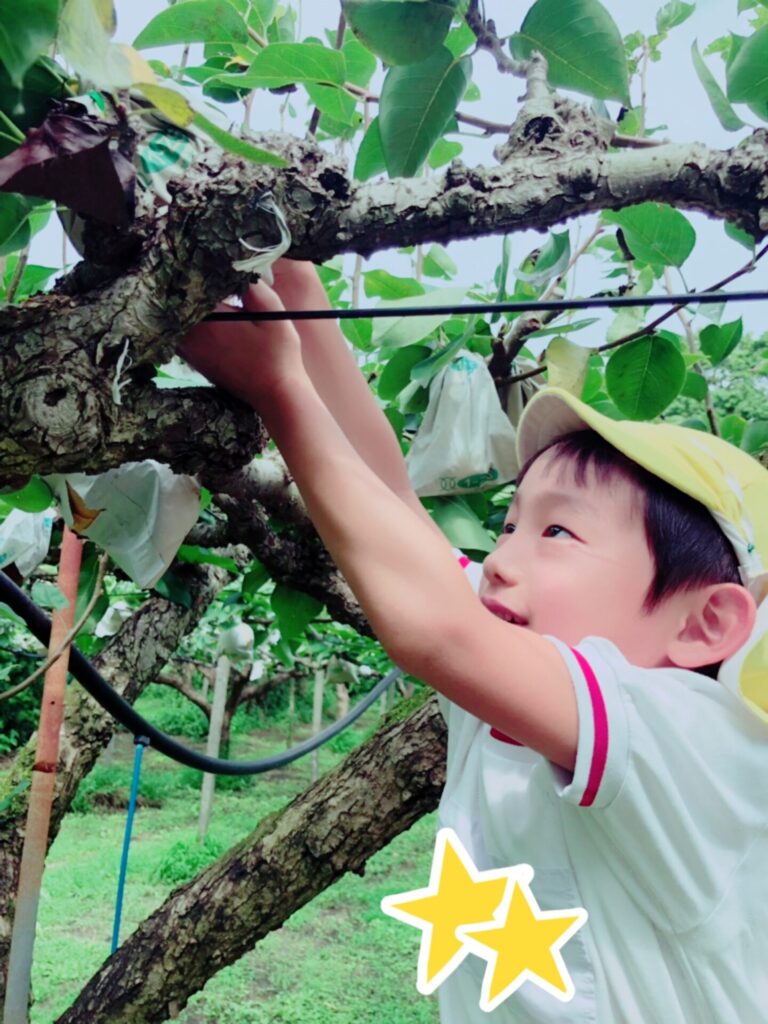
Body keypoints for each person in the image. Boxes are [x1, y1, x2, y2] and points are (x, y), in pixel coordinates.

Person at [178, 259, 768, 1023]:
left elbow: (437, 628)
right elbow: (393, 502)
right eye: (510, 524)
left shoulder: (699, 744)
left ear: (704, 625)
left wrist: (280, 391)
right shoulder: (511, 671)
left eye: (558, 532)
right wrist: (300, 295)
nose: (501, 560)